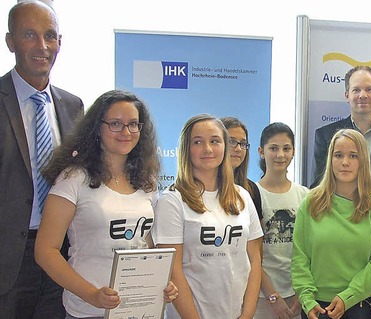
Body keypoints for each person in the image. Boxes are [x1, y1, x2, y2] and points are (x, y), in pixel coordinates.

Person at [34, 90, 178, 318]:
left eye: (133, 124)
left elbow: (145, 245)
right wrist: (91, 294)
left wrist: (162, 281)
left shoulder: (147, 181)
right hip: (88, 310)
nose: (126, 132)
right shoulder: (73, 179)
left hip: (138, 310)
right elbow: (45, 251)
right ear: (97, 128)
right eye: (115, 124)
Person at [0, 1, 84, 317]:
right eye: (29, 35)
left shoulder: (73, 106)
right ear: (10, 41)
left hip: (61, 253)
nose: (42, 46)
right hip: (8, 259)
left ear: (60, 42)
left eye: (50, 36)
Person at [152, 114, 263, 319]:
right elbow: (172, 270)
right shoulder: (172, 200)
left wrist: (246, 315)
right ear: (186, 149)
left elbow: (254, 261)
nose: (208, 149)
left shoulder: (243, 196)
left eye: (215, 141)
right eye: (198, 142)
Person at [292, 129, 371, 319]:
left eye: (353, 156)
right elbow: (300, 257)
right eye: (338, 155)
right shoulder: (310, 203)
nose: (345, 162)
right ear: (330, 159)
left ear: (363, 160)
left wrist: (348, 297)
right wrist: (306, 298)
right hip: (315, 307)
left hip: (360, 305)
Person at [312, 65, 371, 187]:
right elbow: (317, 185)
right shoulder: (325, 136)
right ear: (347, 95)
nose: (362, 95)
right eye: (356, 90)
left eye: (369, 89)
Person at [254, 122, 309, 319]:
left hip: (298, 295)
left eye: (286, 148)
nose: (280, 155)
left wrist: (301, 291)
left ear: (293, 151)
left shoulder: (305, 195)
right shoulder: (250, 195)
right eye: (273, 148)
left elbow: (310, 250)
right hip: (260, 296)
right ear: (261, 151)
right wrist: (272, 296)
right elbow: (251, 255)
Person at [221, 116, 263, 220]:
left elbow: (257, 234)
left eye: (243, 143)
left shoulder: (251, 189)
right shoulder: (206, 187)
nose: (238, 148)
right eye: (231, 141)